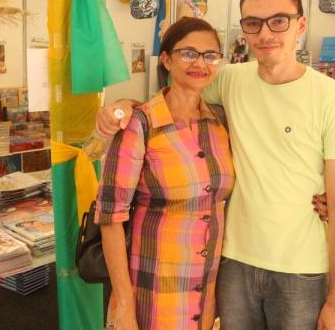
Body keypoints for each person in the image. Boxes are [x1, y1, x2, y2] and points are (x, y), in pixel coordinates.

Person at [97, 0, 335, 329]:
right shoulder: (229, 79)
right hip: (231, 262)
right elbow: (171, 100)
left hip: (302, 269)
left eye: (278, 21)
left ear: (301, 24)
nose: (266, 33)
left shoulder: (334, 99)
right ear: (244, 29)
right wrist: (123, 106)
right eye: (254, 23)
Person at [95, 17, 236, 330]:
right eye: (188, 54)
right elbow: (110, 217)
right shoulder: (140, 124)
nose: (200, 63)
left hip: (205, 292)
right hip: (153, 293)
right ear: (167, 60)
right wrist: (124, 306)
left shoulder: (219, 122)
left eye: (210, 55)